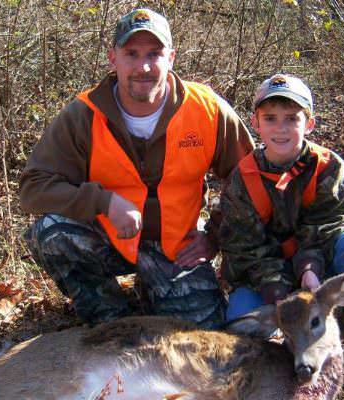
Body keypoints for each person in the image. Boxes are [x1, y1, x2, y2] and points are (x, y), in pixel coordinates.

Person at [19, 8, 254, 330]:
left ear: (171, 57)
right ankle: (111, 316)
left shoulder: (207, 110)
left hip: (176, 246)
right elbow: (34, 188)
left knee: (199, 336)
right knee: (53, 231)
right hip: (108, 236)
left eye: (154, 54)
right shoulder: (83, 115)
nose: (143, 67)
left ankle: (153, 287)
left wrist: (214, 236)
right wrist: (106, 203)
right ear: (112, 58)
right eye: (131, 54)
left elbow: (250, 180)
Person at [216, 73, 344, 385]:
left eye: (291, 118)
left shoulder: (329, 168)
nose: (280, 128)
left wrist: (310, 271)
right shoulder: (243, 178)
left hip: (319, 272)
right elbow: (243, 246)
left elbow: (330, 224)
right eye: (270, 118)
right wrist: (279, 295)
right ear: (256, 124)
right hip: (268, 277)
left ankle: (342, 342)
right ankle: (289, 352)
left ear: (309, 123)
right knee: (239, 315)